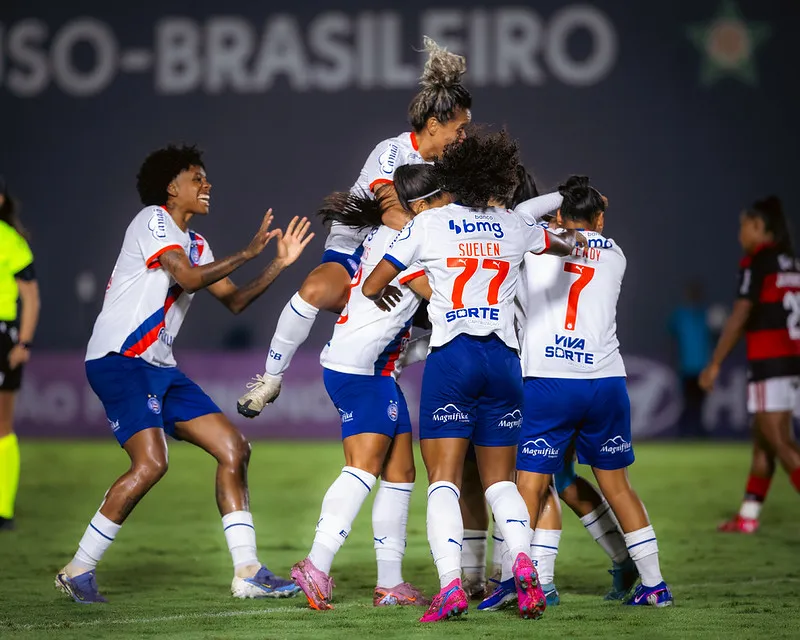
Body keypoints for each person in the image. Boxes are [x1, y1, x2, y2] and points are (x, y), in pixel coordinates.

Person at [55, 145, 313, 603]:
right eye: (197, 177)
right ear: (172, 188)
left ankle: (248, 571)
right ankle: (78, 568)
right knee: (152, 463)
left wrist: (276, 262)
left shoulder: (197, 245)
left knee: (234, 449)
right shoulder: (153, 220)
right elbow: (189, 279)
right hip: (120, 360)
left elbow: (235, 301)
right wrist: (250, 251)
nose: (206, 184)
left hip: (160, 368)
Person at [362, 130, 582, 622]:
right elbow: (566, 243)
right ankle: (521, 567)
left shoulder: (431, 223)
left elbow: (376, 280)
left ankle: (450, 588)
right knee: (500, 482)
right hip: (504, 362)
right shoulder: (511, 224)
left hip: (453, 358)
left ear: (452, 178)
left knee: (443, 480)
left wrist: (395, 289)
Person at [237, 36, 472, 416]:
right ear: (433, 125)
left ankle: (392, 364)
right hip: (356, 250)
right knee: (313, 289)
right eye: (459, 130)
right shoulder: (393, 151)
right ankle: (271, 378)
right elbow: (390, 214)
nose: (463, 137)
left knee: (457, 321)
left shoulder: (449, 169)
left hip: (403, 260)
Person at [511, 176, 673, 607]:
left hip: (549, 381)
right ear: (600, 216)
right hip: (605, 383)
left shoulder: (534, 247)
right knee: (616, 485)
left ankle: (525, 580)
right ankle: (654, 584)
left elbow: (521, 218)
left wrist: (557, 206)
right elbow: (583, 233)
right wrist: (582, 209)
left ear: (558, 215)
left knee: (530, 481)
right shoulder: (616, 253)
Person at [290, 164, 439, 611]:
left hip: (377, 369)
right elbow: (439, 295)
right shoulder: (412, 239)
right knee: (363, 467)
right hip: (360, 370)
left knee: (401, 473)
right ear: (424, 203)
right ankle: (316, 564)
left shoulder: (402, 233)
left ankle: (390, 583)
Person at [700, 196, 800, 533]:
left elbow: (741, 314)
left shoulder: (758, 261)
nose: (740, 233)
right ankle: (748, 517)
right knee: (765, 443)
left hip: (770, 364)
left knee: (782, 444)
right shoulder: (790, 262)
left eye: (744, 225)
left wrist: (714, 363)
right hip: (792, 360)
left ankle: (747, 518)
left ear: (758, 226)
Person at [0, 176, 40, 531]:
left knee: (2, 425)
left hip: (3, 336)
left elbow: (30, 297)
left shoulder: (11, 243)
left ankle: (3, 509)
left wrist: (22, 343)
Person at [670, 280, 713, 438]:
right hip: (687, 366)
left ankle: (699, 431)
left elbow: (714, 336)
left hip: (703, 367)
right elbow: (672, 336)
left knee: (701, 402)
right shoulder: (681, 315)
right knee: (688, 401)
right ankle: (685, 432)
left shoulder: (706, 315)